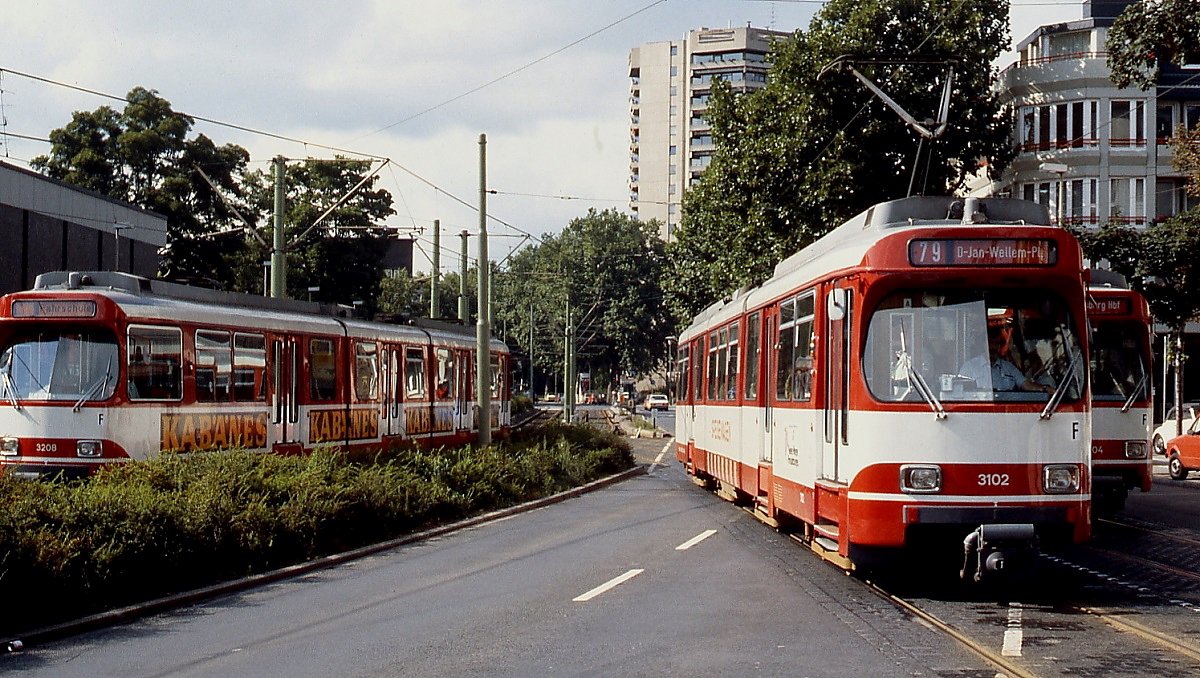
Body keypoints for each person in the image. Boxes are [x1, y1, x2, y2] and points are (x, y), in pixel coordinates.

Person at [959, 322, 1054, 394]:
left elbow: (1025, 384)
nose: (993, 347)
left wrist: (1044, 389)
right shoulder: (969, 367)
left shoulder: (1009, 368)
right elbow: (961, 393)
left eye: (997, 344)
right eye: (990, 343)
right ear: (982, 345)